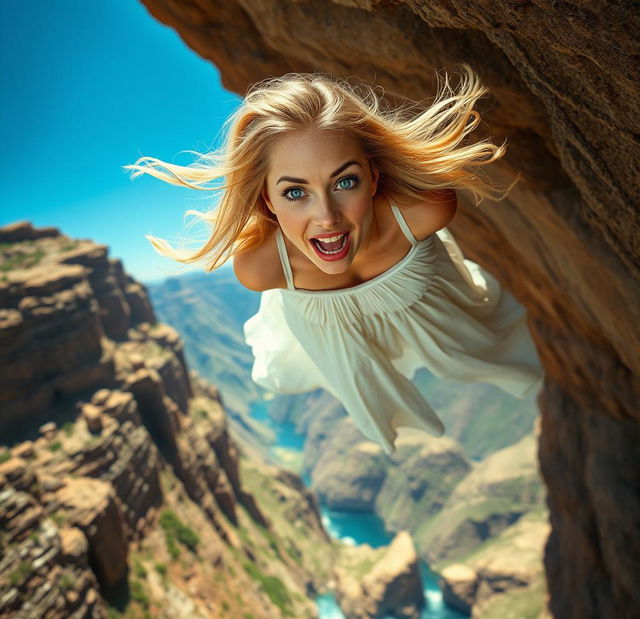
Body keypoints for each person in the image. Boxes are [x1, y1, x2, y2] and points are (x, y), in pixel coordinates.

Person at [123, 63, 544, 455]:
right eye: (295, 192)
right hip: (340, 353)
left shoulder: (424, 210)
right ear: (267, 200)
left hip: (448, 328)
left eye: (345, 181)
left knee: (482, 349)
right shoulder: (261, 268)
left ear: (373, 177)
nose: (326, 217)